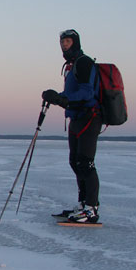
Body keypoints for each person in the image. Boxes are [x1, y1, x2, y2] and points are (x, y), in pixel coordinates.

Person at [42, 29, 102, 223]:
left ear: (75, 43)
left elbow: (87, 92)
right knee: (75, 162)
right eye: (62, 42)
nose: (64, 45)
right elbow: (72, 93)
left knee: (86, 162)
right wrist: (57, 97)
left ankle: (91, 209)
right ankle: (83, 204)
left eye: (67, 41)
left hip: (89, 118)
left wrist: (62, 99)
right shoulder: (71, 65)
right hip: (76, 119)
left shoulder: (84, 62)